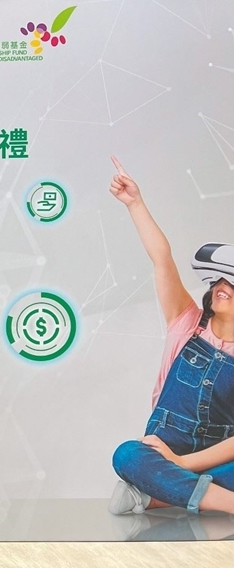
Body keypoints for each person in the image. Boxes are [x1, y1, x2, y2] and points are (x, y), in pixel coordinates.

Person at [107, 157, 234, 516]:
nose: (222, 285)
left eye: (232, 283)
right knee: (127, 455)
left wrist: (183, 464)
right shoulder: (187, 322)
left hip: (212, 456)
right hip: (162, 448)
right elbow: (162, 259)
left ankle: (153, 496)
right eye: (220, 280)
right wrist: (135, 203)